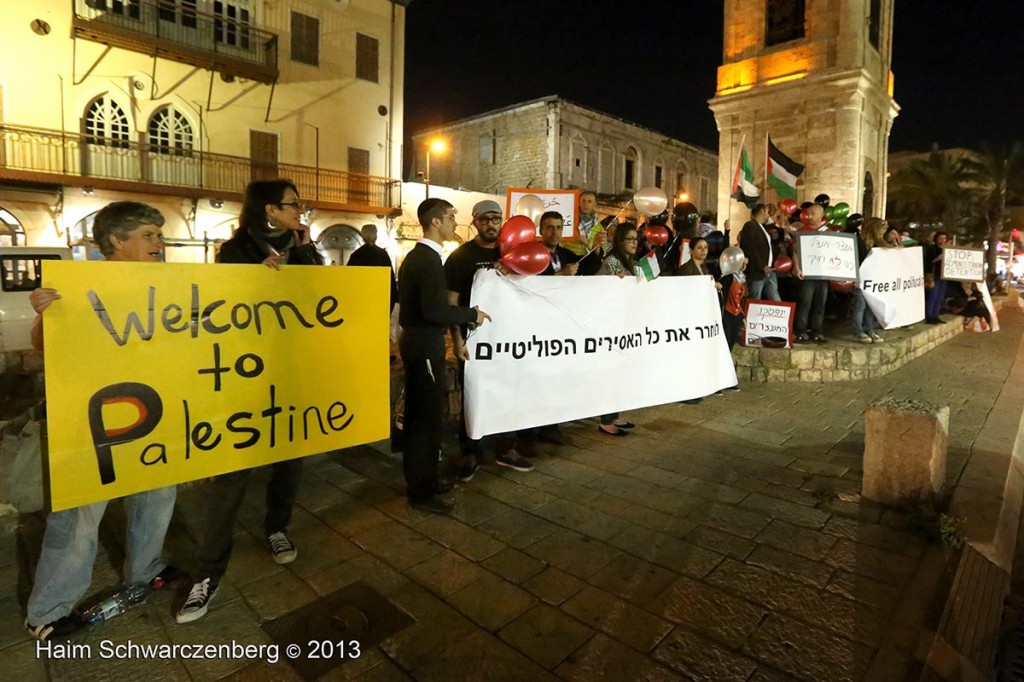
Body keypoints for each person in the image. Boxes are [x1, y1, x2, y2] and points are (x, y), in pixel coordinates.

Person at [25, 201, 178, 641]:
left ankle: (144, 570)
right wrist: (44, 313)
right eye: (149, 235)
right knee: (78, 515)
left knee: (157, 493)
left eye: (159, 235)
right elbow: (43, 347)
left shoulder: (169, 283)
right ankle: (48, 613)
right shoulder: (77, 285)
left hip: (153, 409)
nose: (159, 243)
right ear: (116, 240)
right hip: (94, 419)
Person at [177, 180, 322, 625]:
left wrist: (306, 256)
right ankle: (208, 571)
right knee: (231, 476)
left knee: (289, 460)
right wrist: (256, 278)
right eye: (295, 204)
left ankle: (277, 527)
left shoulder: (305, 248)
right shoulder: (233, 251)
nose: (302, 210)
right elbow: (222, 308)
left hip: (290, 370)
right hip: (243, 376)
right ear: (269, 210)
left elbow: (323, 299)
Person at [398, 199, 490, 515]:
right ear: (435, 222)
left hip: (421, 343)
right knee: (425, 420)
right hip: (424, 346)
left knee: (424, 416)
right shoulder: (426, 260)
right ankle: (421, 491)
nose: (455, 222)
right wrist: (471, 313)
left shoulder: (421, 257)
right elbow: (434, 310)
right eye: (451, 217)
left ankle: (424, 479)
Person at [446, 200, 535, 475]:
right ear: (474, 222)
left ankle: (506, 448)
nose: (491, 224)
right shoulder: (460, 257)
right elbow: (452, 303)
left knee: (510, 393)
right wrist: (458, 342)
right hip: (475, 341)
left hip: (510, 339)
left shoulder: (512, 253)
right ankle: (469, 453)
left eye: (496, 219)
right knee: (473, 395)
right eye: (485, 219)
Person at [595, 224, 639, 436]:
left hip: (623, 325)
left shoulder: (631, 263)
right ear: (620, 241)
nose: (634, 242)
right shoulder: (612, 262)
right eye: (630, 239)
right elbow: (601, 290)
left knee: (620, 371)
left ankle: (615, 414)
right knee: (610, 372)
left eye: (636, 239)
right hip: (609, 326)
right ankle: (606, 420)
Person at [792, 203, 830, 343]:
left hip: (823, 274)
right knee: (805, 302)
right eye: (809, 213)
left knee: (820, 303)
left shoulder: (828, 232)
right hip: (807, 273)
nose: (810, 216)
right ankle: (801, 331)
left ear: (821, 215)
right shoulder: (802, 231)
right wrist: (797, 268)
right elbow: (795, 251)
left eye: (813, 213)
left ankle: (817, 331)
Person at [852, 217, 889, 344]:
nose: (882, 234)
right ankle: (858, 331)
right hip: (861, 279)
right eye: (881, 230)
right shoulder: (858, 242)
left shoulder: (879, 243)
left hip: (874, 280)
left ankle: (870, 330)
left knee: (871, 307)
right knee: (860, 306)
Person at [347, 223, 398, 312]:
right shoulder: (383, 255)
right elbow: (390, 280)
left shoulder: (356, 255)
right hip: (380, 300)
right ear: (375, 235)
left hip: (361, 301)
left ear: (362, 235)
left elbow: (349, 279)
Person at [739, 203, 780, 301]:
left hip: (769, 271)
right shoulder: (750, 226)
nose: (768, 215)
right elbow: (751, 248)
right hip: (757, 272)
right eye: (767, 211)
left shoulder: (762, 227)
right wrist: (762, 265)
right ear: (762, 211)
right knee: (755, 300)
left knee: (775, 299)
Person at [538, 210, 580, 276]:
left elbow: (588, 268)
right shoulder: (532, 255)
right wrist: (561, 273)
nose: (555, 232)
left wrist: (596, 248)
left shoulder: (567, 254)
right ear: (540, 231)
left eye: (558, 227)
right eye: (550, 227)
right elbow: (530, 282)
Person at [566, 190, 605, 257]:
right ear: (579, 202)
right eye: (583, 201)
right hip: (568, 258)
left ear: (594, 204)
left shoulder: (599, 228)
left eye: (589, 201)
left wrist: (586, 243)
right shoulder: (569, 221)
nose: (585, 204)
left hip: (588, 261)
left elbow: (601, 253)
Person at [924, 231, 948, 324]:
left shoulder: (947, 249)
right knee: (933, 296)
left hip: (943, 275)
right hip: (934, 275)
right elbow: (928, 262)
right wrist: (937, 258)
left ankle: (936, 314)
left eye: (944, 238)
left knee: (940, 296)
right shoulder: (932, 249)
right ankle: (929, 315)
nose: (943, 240)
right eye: (941, 238)